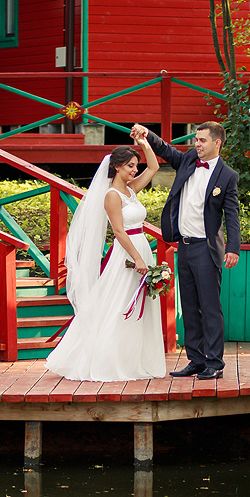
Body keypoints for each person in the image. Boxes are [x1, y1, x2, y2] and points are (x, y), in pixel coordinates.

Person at [44, 137, 167, 381]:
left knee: (139, 305)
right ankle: (107, 358)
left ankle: (134, 359)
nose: (135, 170)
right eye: (130, 166)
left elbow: (153, 168)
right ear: (117, 167)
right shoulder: (112, 195)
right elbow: (119, 231)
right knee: (118, 303)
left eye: (135, 165)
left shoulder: (131, 190)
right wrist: (138, 259)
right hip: (127, 254)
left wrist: (144, 142)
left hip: (141, 247)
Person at [130, 121, 240, 380]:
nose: (197, 144)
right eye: (196, 139)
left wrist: (233, 248)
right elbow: (167, 151)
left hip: (207, 248)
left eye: (202, 140)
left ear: (217, 143)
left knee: (210, 308)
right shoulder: (190, 159)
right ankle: (196, 360)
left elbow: (232, 216)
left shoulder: (227, 176)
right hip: (185, 247)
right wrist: (148, 135)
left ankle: (215, 363)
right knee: (189, 307)